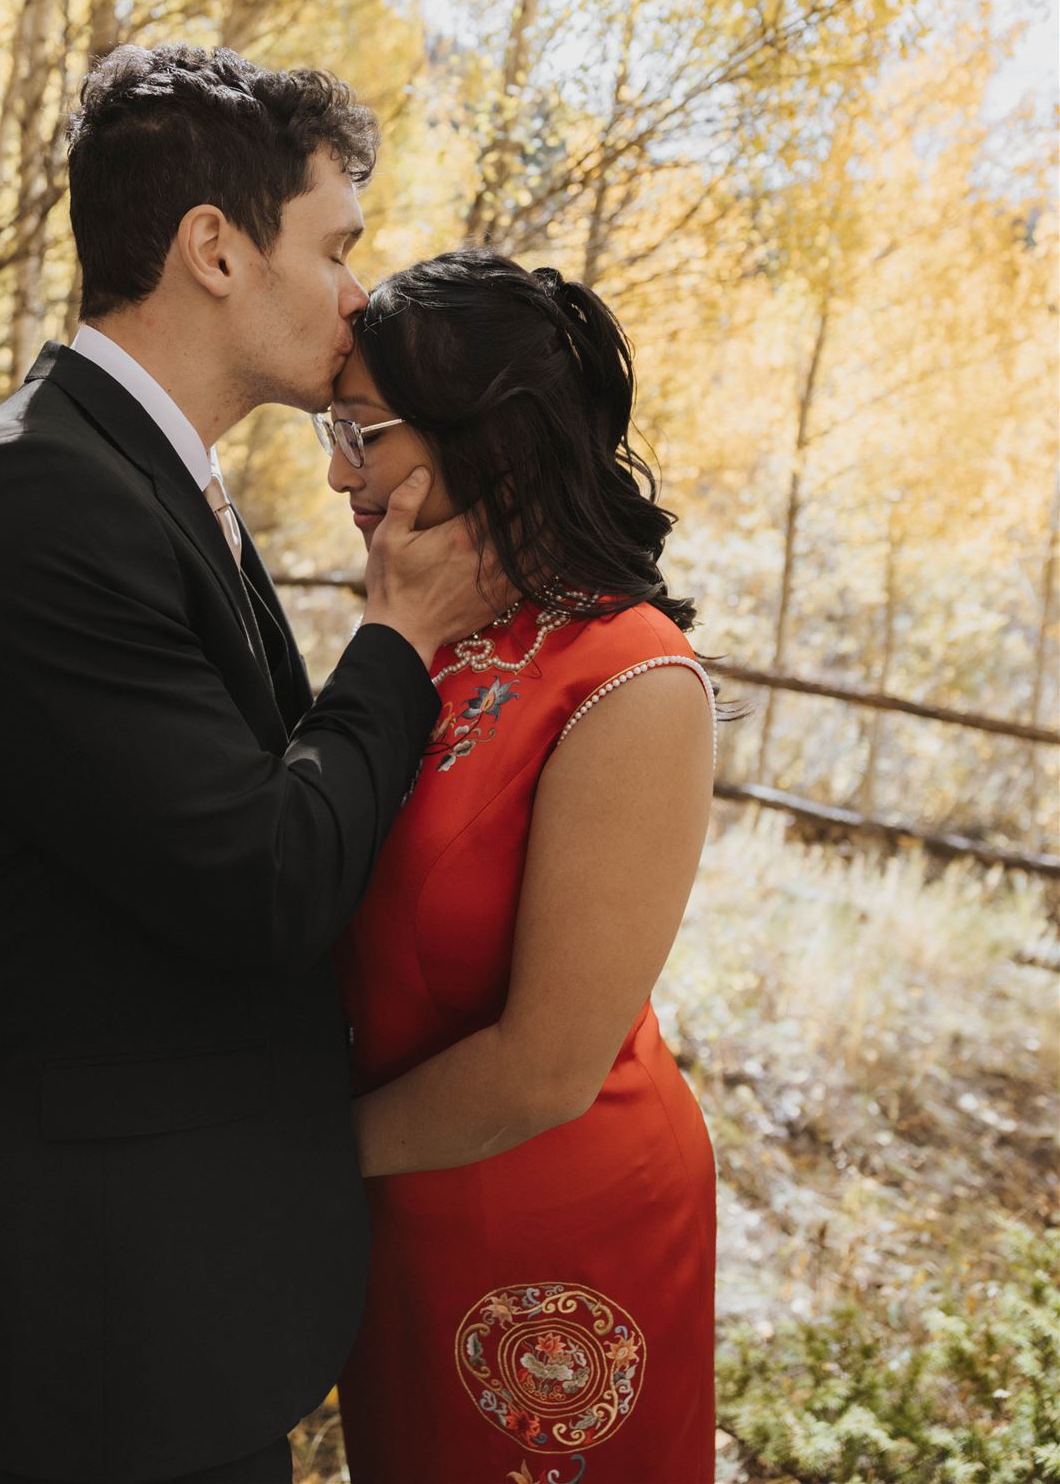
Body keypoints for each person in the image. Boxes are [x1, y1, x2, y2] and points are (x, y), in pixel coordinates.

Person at [0, 46, 502, 1484]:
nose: (355, 292)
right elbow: (261, 877)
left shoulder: (139, 481)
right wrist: (396, 641)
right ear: (213, 247)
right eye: (335, 243)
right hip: (97, 1319)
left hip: (171, 1294)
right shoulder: (34, 500)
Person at [315, 248, 717, 1484]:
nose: (339, 472)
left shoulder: (634, 678)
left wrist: (287, 1152)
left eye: (361, 432)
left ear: (486, 436)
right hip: (396, 1198)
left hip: (551, 1224)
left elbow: (546, 1066)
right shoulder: (428, 622)